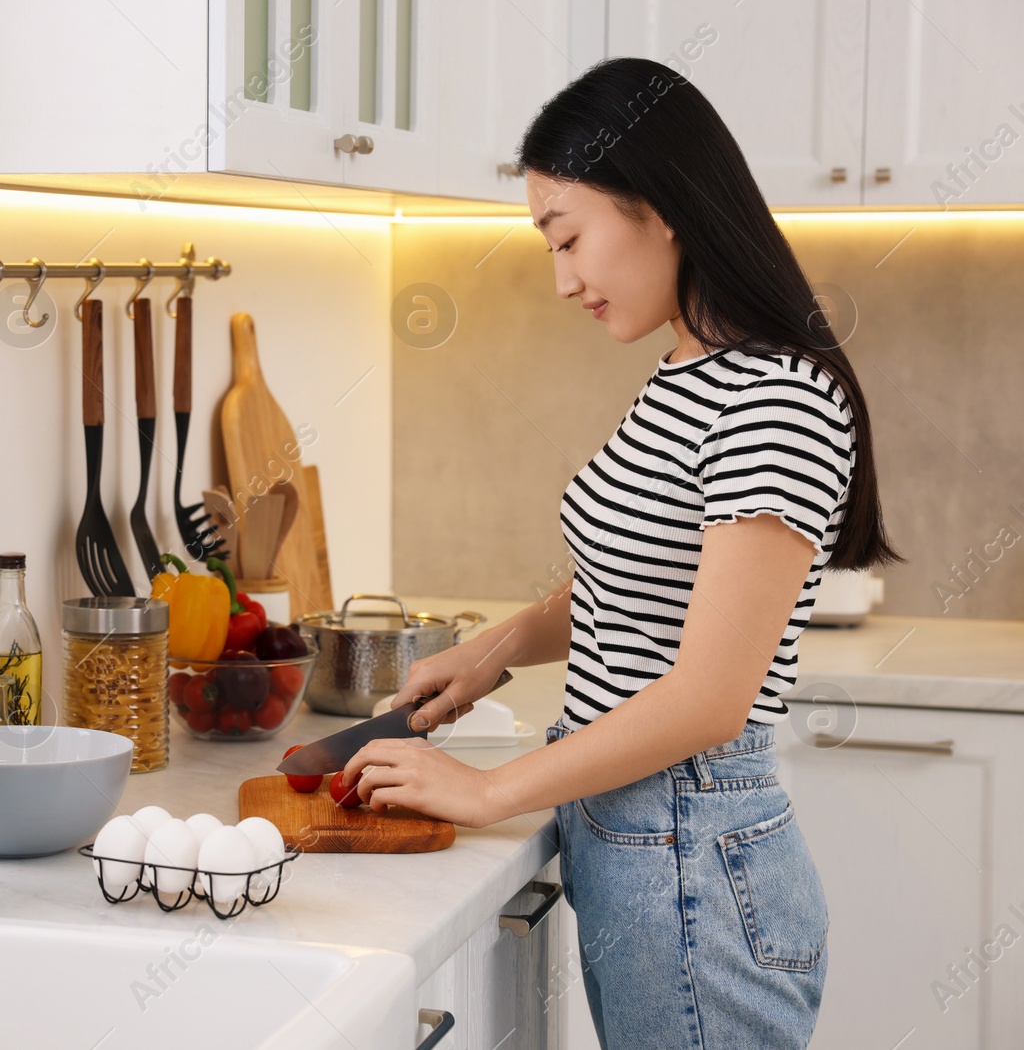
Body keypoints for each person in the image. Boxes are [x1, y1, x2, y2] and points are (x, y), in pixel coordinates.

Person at [340, 57, 904, 1048]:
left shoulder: (769, 398)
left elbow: (707, 695)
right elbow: (641, 577)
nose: (562, 280)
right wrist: (496, 646)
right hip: (642, 846)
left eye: (568, 238)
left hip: (693, 857)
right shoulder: (688, 368)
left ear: (662, 206)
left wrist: (485, 791)